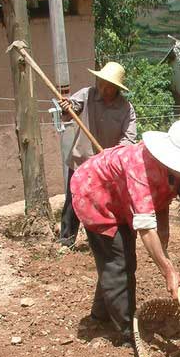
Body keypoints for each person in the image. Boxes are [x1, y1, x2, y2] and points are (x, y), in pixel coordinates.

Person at [71, 120, 180, 338]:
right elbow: (145, 227)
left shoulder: (174, 172)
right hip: (95, 198)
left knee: (116, 259)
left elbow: (160, 204)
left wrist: (164, 245)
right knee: (120, 262)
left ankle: (100, 314)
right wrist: (168, 270)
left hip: (120, 199)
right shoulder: (140, 167)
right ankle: (126, 331)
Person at [58, 62, 137, 247]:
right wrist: (66, 106)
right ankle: (66, 240)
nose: (104, 88)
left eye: (109, 85)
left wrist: (111, 158)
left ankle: (97, 242)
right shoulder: (87, 94)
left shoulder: (126, 109)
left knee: (100, 204)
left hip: (105, 168)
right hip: (81, 160)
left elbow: (128, 140)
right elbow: (71, 109)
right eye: (101, 83)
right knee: (73, 201)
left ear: (117, 88)